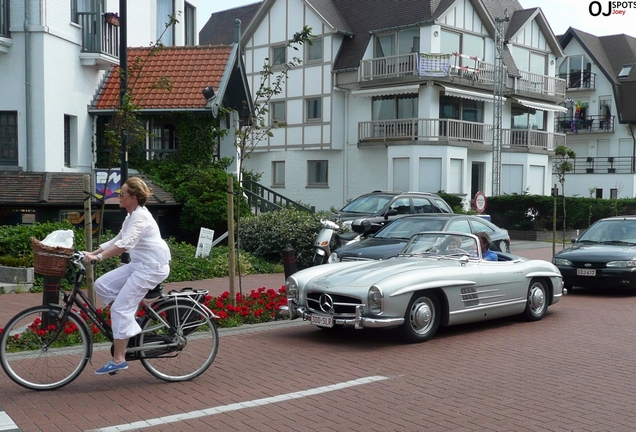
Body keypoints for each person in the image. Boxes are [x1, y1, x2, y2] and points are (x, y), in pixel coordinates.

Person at [83, 177, 171, 375]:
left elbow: (125, 245)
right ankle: (130, 321)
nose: (118, 196)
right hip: (139, 265)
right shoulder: (131, 216)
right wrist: (91, 253)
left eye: (121, 194)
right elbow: (118, 239)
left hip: (152, 268)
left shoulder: (140, 217)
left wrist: (100, 258)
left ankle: (119, 359)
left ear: (133, 197)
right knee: (102, 285)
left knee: (120, 309)